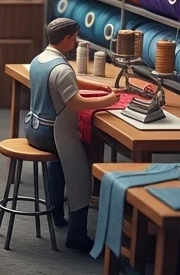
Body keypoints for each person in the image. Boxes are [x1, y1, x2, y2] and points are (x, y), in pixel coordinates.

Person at [25, 18, 117, 252]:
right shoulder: (61, 68)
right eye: (74, 37)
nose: (75, 41)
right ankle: (76, 236)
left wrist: (98, 87)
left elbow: (68, 82)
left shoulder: (40, 60)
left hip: (34, 130)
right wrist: (108, 99)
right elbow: (75, 102)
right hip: (55, 133)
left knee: (56, 167)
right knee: (79, 179)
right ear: (66, 38)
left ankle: (56, 213)